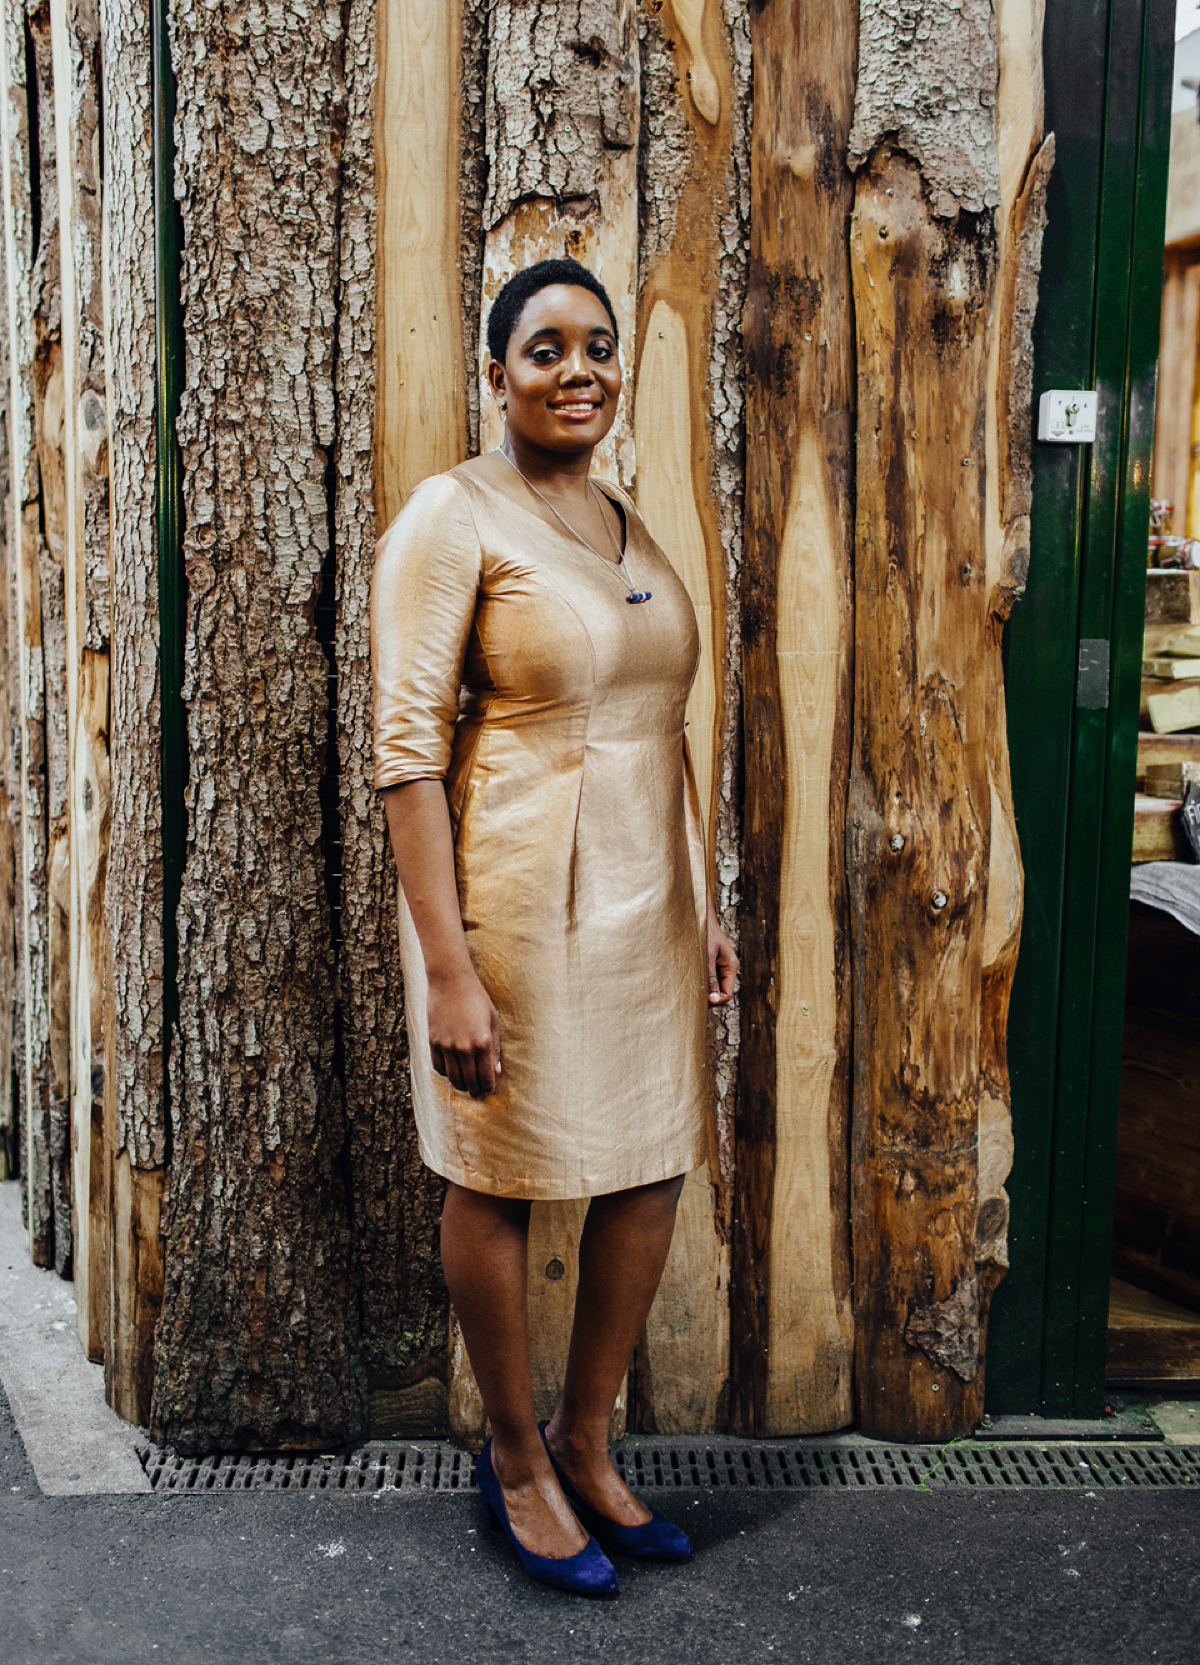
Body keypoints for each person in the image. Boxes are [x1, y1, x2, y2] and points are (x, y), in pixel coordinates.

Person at [371, 257, 739, 1597]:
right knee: (503, 1170)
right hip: (521, 898)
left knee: (648, 1167)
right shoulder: (452, 517)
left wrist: (704, 902)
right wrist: (448, 970)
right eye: (545, 351)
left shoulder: (622, 521)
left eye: (596, 348)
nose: (578, 371)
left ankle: (592, 1445)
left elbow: (666, 727)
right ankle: (516, 1459)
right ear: (496, 373)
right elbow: (407, 756)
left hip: (651, 895)